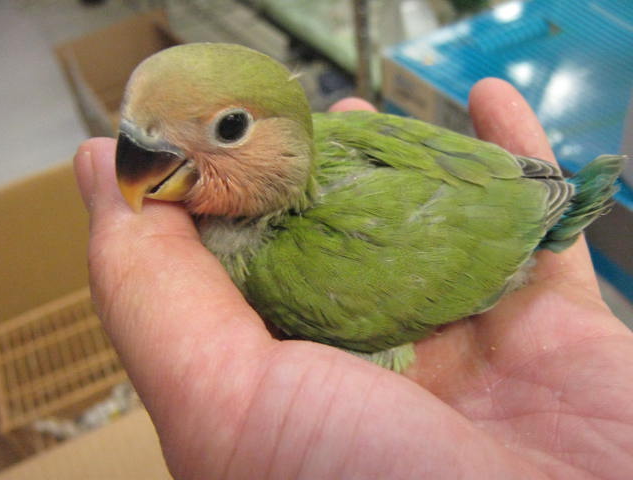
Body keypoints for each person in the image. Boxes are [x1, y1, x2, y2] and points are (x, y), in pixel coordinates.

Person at [74, 78, 633, 479]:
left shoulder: (287, 268)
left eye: (229, 128)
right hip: (500, 190)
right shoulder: (321, 133)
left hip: (512, 227)